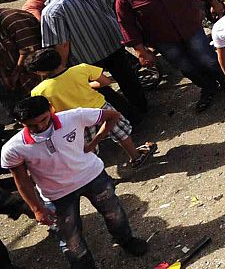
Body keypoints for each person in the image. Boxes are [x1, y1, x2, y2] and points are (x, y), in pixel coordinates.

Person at [2, 96, 149, 267]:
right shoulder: (13, 148)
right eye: (32, 125)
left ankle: (127, 241)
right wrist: (37, 209)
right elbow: (21, 180)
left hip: (94, 178)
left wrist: (95, 141)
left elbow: (112, 116)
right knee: (70, 239)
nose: (40, 127)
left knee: (115, 214)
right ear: (19, 122)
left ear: (51, 109)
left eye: (44, 119)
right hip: (57, 196)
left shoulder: (74, 116)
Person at [114, 0, 225, 112]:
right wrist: (141, 50)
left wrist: (214, 2)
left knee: (208, 59)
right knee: (187, 67)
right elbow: (126, 24)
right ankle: (208, 88)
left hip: (191, 27)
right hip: (164, 39)